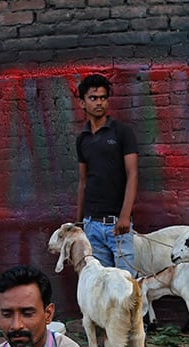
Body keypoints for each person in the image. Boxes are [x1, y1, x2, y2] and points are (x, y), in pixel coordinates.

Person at [76, 73, 139, 275]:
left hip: (118, 225)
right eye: (93, 98)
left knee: (127, 286)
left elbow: (133, 174)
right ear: (82, 103)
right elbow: (83, 181)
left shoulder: (122, 132)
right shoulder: (82, 139)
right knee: (102, 286)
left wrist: (124, 216)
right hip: (91, 225)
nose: (99, 103)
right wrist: (79, 222)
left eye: (103, 98)